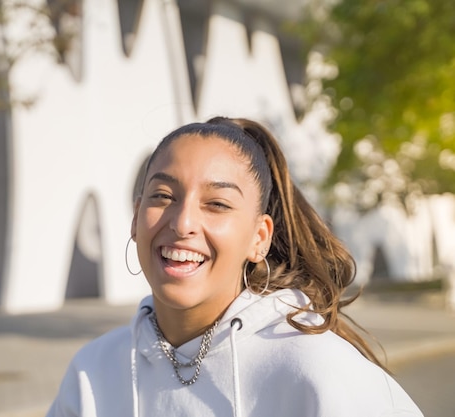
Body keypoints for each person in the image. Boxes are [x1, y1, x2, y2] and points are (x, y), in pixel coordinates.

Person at [46, 117, 424, 417]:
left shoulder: (316, 370)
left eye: (217, 204)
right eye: (163, 196)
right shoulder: (93, 372)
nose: (182, 223)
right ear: (136, 217)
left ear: (259, 237)